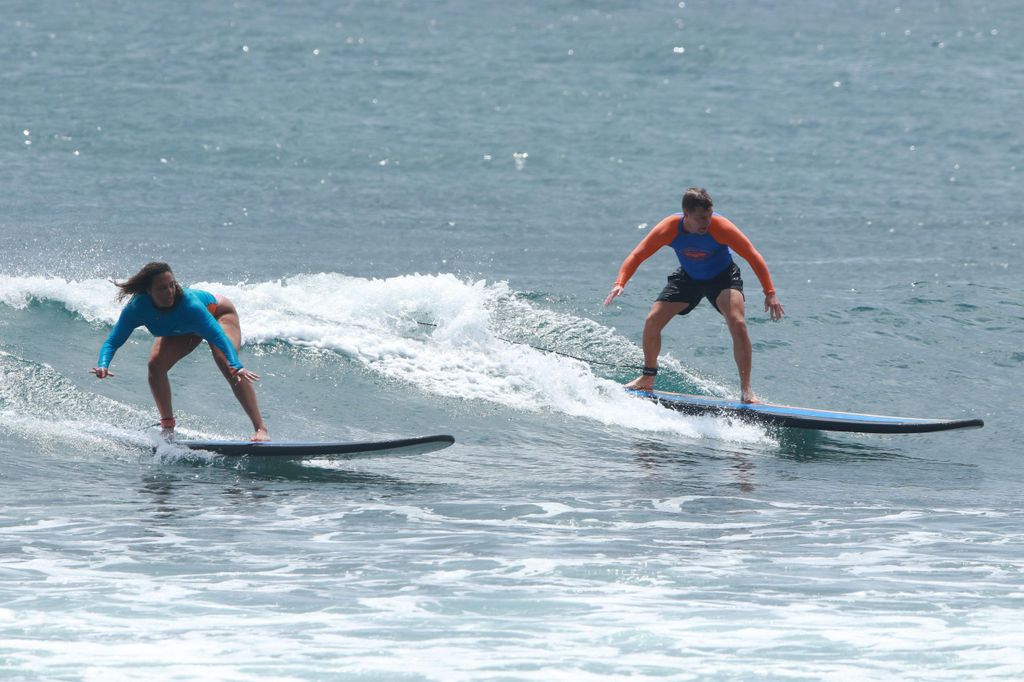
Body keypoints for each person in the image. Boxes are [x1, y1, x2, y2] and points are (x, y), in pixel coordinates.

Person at [604, 188, 784, 403]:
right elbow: (637, 255)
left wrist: (770, 293)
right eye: (700, 218)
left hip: (723, 278)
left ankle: (746, 391)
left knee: (738, 323)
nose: (706, 222)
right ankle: (647, 378)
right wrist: (619, 283)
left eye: (709, 216)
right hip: (688, 277)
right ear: (685, 214)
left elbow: (753, 255)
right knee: (652, 320)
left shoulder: (721, 227)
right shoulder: (669, 228)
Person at [91, 262, 269, 441]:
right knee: (155, 365)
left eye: (172, 285)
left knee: (227, 363)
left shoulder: (189, 305)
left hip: (218, 313)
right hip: (183, 328)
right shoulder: (137, 308)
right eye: (162, 288)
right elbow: (113, 341)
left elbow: (218, 338)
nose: (170, 292)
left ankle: (260, 429)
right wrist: (102, 365)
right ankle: (167, 426)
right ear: (148, 291)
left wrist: (236, 365)